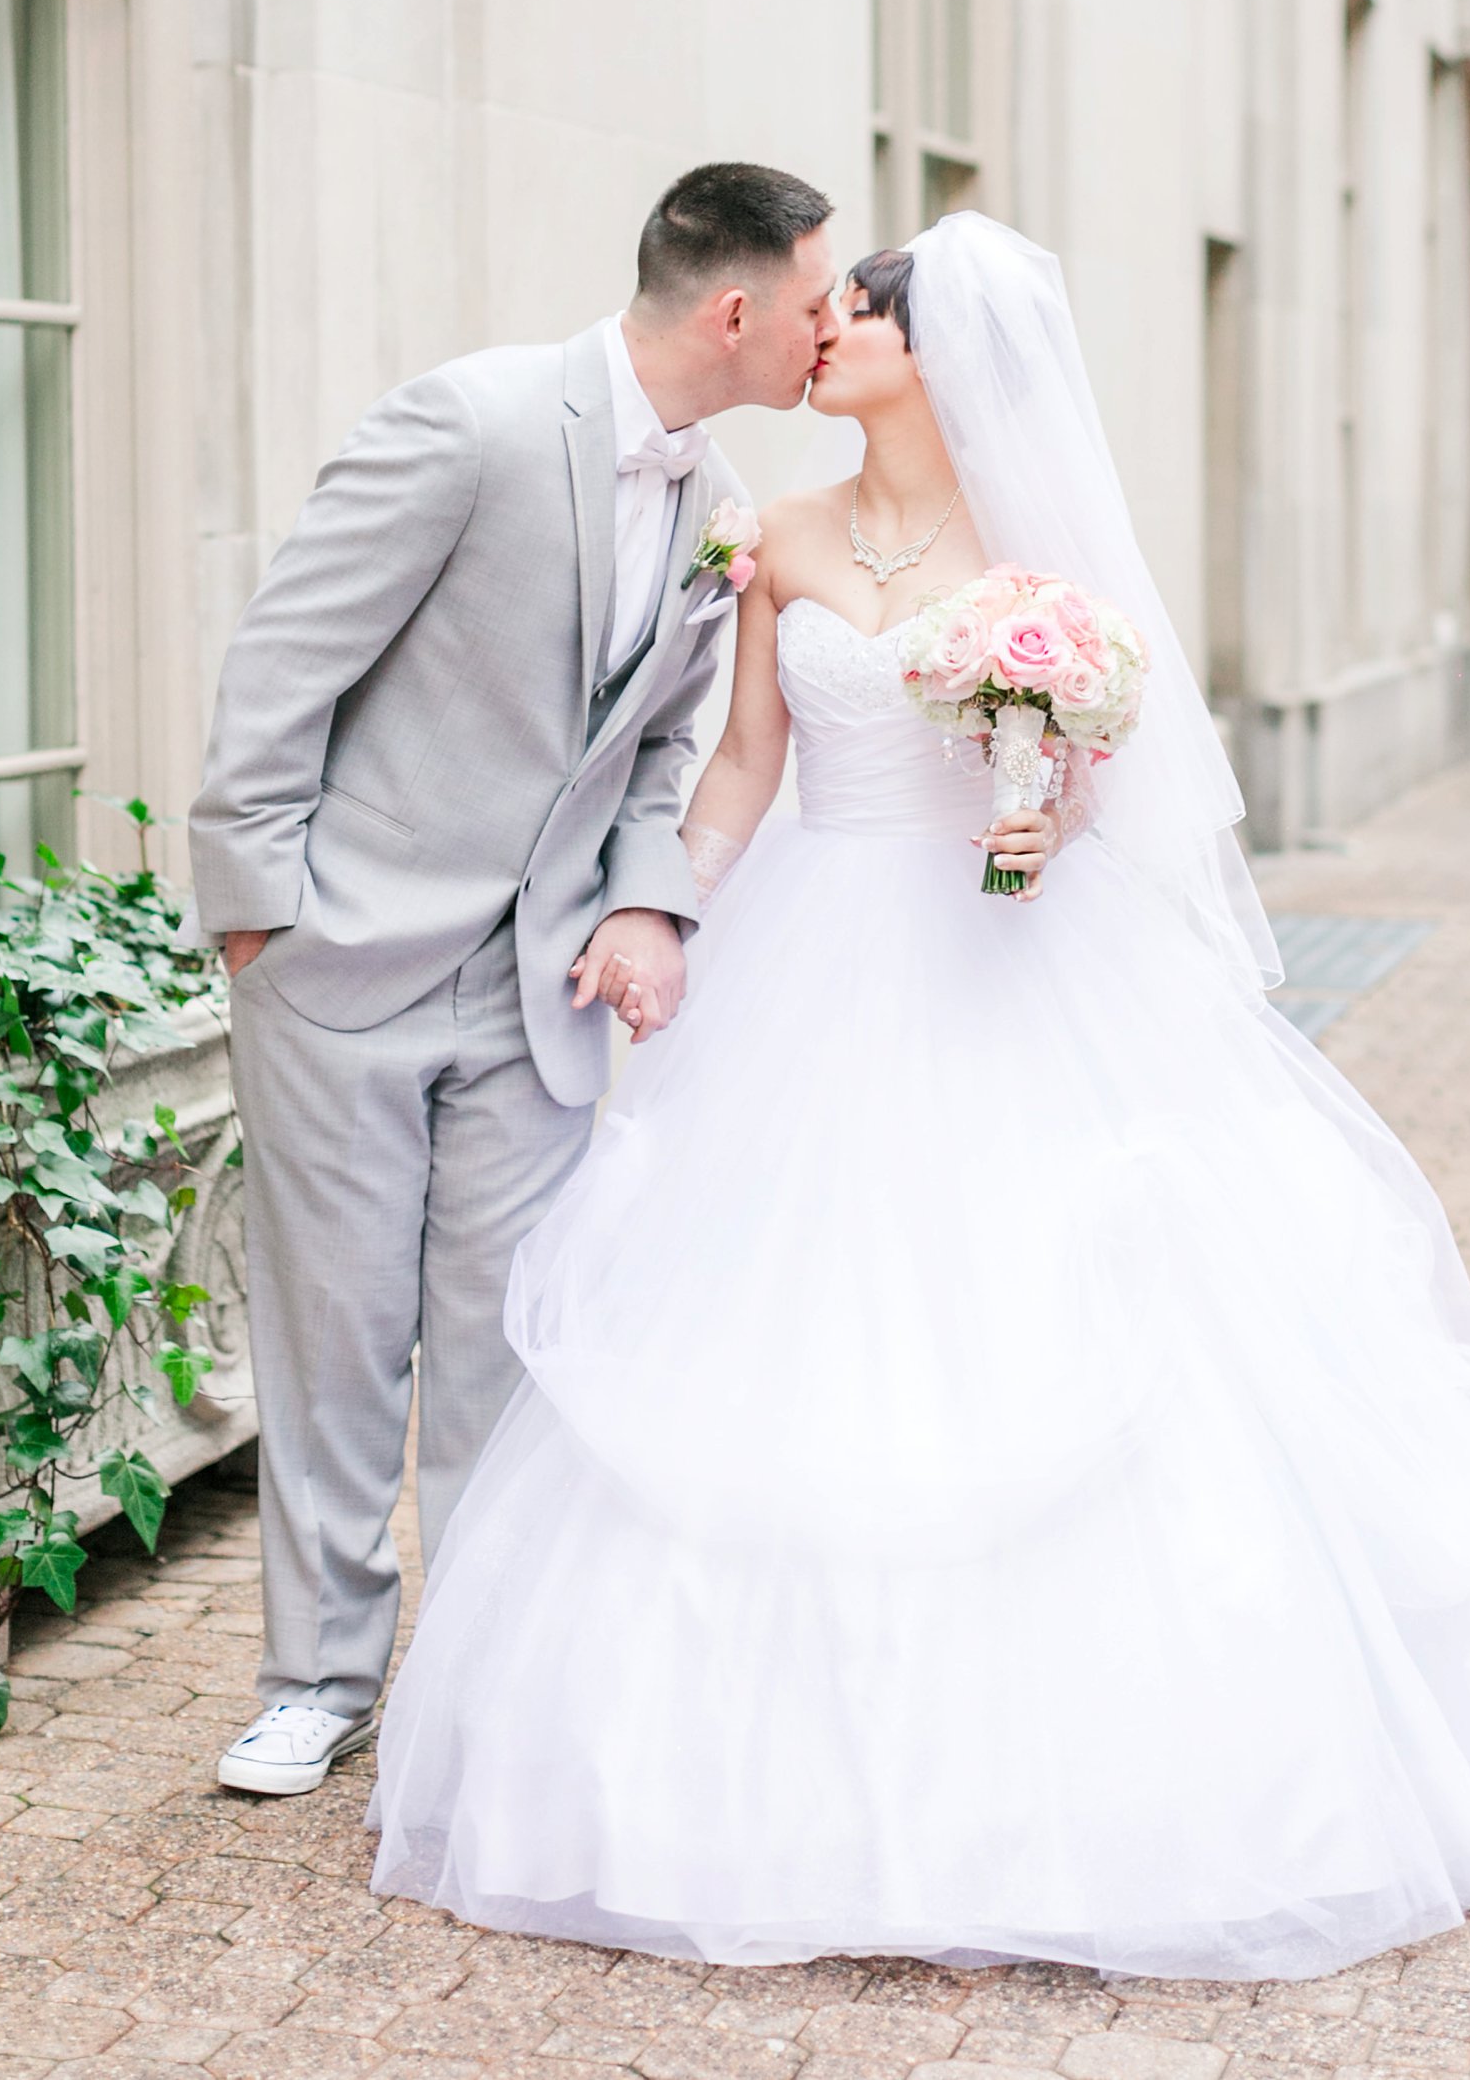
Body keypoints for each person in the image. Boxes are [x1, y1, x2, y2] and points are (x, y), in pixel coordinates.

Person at [367, 209, 1470, 1979]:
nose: (821, 334)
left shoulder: (1046, 571)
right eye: (822, 308)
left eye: (855, 314)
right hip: (812, 964)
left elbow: (1084, 776)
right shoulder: (780, 538)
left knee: (1089, 1333)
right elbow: (748, 757)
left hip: (1009, 975)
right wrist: (649, 903)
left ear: (935, 355)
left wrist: (1039, 810)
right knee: (791, 1336)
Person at [189, 161, 838, 1796]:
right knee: (339, 1342)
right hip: (343, 956)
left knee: (503, 1345)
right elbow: (285, 659)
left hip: (541, 989)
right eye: (820, 302)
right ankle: (315, 1678)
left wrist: (648, 908)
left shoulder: (715, 508)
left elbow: (660, 745)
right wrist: (258, 909)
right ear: (737, 308)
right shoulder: (468, 424)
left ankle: (473, 1685)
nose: (835, 330)